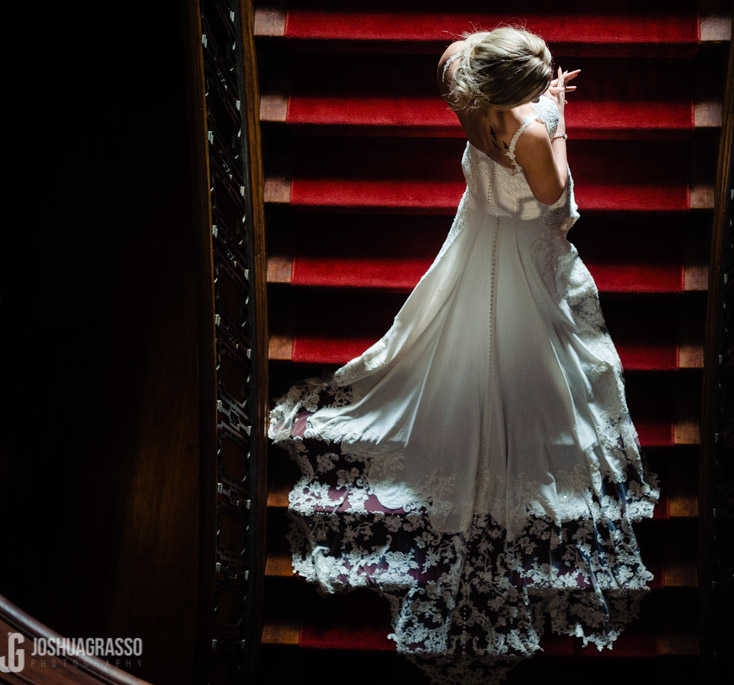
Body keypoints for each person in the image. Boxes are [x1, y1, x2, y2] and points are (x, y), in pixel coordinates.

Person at [269, 26, 660, 685]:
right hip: (518, 252)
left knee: (460, 345)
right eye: (535, 82)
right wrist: (557, 119)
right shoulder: (532, 134)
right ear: (517, 93)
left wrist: (537, 97)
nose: (545, 87)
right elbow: (557, 204)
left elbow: (479, 74)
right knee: (530, 358)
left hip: (475, 234)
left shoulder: (460, 78)